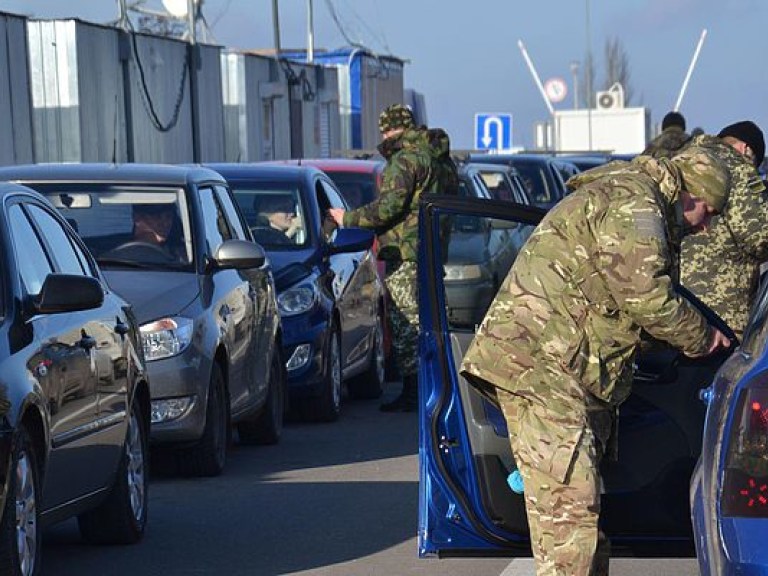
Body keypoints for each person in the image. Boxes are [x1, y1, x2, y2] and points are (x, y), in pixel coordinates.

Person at [460, 147, 732, 576]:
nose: (707, 225)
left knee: (580, 520)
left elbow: (619, 304)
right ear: (691, 194)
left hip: (559, 368)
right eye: (709, 212)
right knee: (569, 525)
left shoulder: (638, 198)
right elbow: (646, 297)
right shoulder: (636, 202)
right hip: (541, 370)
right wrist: (703, 337)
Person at [328, 103, 459, 412]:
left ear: (389, 129)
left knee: (405, 323)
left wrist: (346, 218)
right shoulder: (440, 159)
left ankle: (415, 393)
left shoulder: (404, 161)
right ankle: (434, 386)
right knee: (430, 321)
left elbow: (388, 208)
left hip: (406, 251)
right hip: (432, 249)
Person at [680, 120, 767, 338]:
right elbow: (759, 237)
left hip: (678, 305)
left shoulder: (686, 159)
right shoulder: (739, 169)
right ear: (745, 149)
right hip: (722, 310)